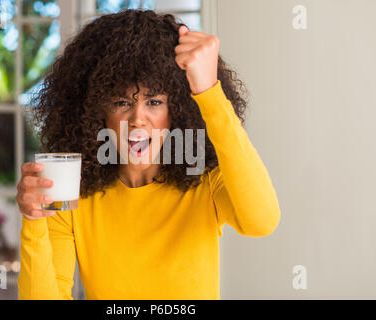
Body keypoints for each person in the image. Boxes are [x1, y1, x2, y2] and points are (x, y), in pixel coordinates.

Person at [15, 9, 281, 300]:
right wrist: (34, 220)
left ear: (178, 111)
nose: (137, 119)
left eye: (154, 102)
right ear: (95, 113)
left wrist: (209, 92)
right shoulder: (71, 195)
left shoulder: (204, 182)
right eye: (121, 102)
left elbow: (261, 221)